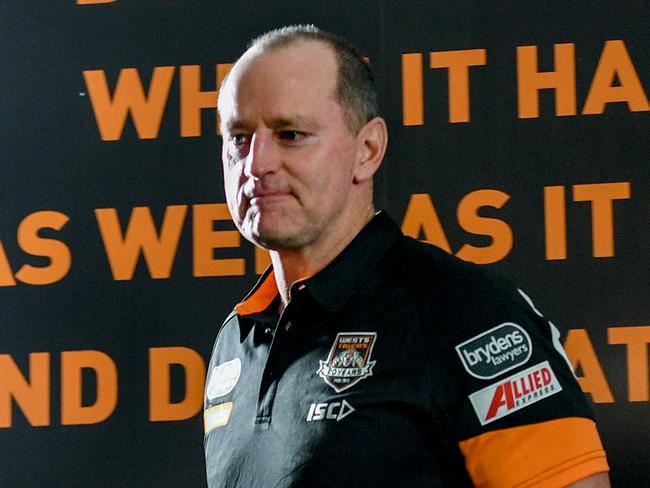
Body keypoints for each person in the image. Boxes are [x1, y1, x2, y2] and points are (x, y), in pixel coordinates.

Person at [203, 25, 610, 487]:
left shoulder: (466, 312)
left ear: (368, 150)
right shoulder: (234, 344)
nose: (256, 164)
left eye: (291, 134)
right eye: (238, 137)